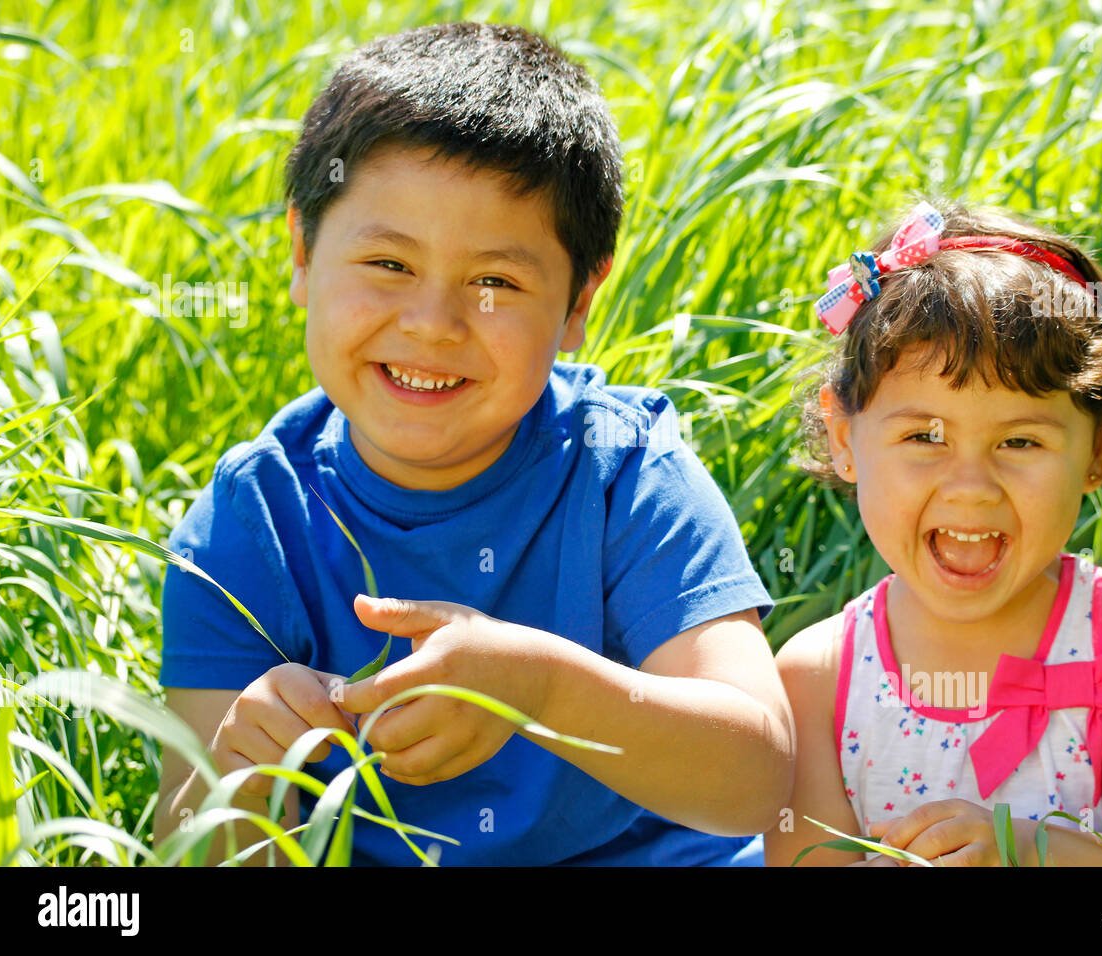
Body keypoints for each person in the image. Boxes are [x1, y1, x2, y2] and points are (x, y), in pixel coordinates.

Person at [152, 22, 792, 866]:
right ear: (303, 251)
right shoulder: (250, 524)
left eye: (495, 282)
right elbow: (193, 847)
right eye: (388, 263)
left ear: (576, 305)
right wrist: (247, 775)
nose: (433, 325)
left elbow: (760, 776)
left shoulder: (626, 472)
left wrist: (544, 688)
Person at [764, 201, 1102, 866]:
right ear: (844, 437)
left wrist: (1024, 851)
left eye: (1021, 440)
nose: (971, 485)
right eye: (924, 435)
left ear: (1097, 450)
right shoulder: (814, 679)